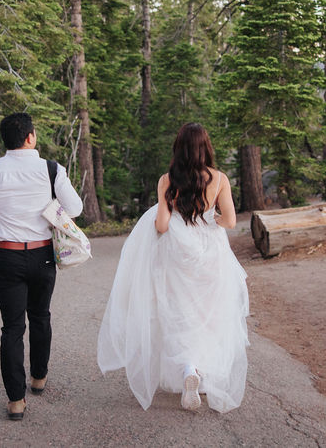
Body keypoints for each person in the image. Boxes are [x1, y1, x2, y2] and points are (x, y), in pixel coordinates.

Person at [97, 122, 249, 413]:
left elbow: (162, 226)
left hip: (177, 253)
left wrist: (175, 216)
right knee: (208, 314)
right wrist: (208, 221)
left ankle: (188, 368)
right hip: (210, 254)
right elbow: (230, 221)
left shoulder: (168, 180)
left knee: (177, 312)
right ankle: (199, 373)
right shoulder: (220, 179)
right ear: (206, 147)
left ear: (178, 148)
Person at [0, 112, 84, 421]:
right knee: (40, 316)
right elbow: (76, 208)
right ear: (30, 137)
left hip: (8, 257)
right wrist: (50, 209)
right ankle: (38, 377)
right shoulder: (51, 169)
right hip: (42, 256)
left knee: (12, 327)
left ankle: (16, 400)